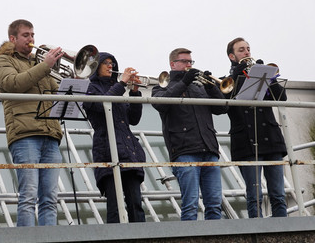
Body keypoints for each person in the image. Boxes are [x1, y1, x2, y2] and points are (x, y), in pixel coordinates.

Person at [0, 19, 63, 227]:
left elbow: (56, 93)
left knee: (50, 198)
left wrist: (74, 76)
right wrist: (45, 66)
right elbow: (13, 84)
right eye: (26, 35)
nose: (31, 39)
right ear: (13, 38)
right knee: (28, 195)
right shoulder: (3, 61)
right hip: (25, 135)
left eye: (32, 35)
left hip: (50, 134)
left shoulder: (39, 65)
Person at [151, 48, 227, 221]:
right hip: (184, 152)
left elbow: (222, 108)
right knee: (190, 204)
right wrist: (184, 82)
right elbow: (162, 105)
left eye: (190, 62)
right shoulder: (161, 88)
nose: (189, 65)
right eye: (185, 61)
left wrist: (211, 86)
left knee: (215, 205)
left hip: (209, 150)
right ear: (173, 64)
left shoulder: (199, 88)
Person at [226, 37, 288, 218]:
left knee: (278, 193)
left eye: (248, 49)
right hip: (246, 141)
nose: (246, 53)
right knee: (254, 195)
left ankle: (282, 231)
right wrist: (236, 74)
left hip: (271, 138)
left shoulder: (262, 78)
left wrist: (269, 76)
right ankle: (256, 232)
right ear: (232, 56)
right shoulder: (226, 81)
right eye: (241, 50)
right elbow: (225, 104)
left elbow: (281, 98)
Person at [83, 52, 146, 223]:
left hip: (128, 151)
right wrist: (122, 83)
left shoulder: (118, 90)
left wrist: (134, 92)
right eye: (106, 63)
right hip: (107, 151)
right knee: (115, 206)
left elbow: (133, 120)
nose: (111, 66)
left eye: (112, 63)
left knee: (136, 204)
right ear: (96, 67)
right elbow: (102, 104)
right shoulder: (90, 88)